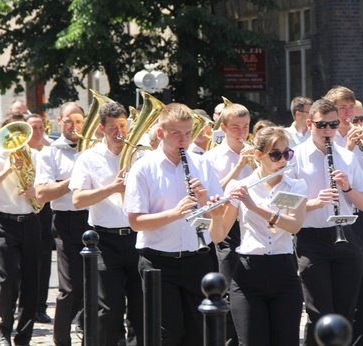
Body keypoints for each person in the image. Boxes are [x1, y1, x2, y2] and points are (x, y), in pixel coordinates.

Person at [123, 102, 223, 346]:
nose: (184, 139)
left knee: (199, 332)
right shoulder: (143, 168)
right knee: (167, 334)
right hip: (158, 261)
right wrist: (175, 213)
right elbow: (136, 222)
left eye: (188, 133)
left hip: (197, 257)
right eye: (177, 133)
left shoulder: (202, 163)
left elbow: (218, 212)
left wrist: (204, 201)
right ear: (160, 133)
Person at [213, 125, 307, 345]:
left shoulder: (296, 185)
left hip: (284, 270)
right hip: (248, 273)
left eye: (287, 153)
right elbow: (218, 237)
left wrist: (254, 207)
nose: (283, 160)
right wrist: (217, 216)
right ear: (258, 156)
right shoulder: (241, 187)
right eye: (276, 155)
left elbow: (295, 226)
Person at [292, 98, 363, 346]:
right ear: (309, 123)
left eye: (333, 125)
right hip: (311, 238)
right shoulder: (295, 157)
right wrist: (315, 202)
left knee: (345, 312)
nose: (327, 131)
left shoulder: (347, 157)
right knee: (319, 312)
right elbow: (281, 203)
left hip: (346, 235)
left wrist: (347, 188)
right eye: (321, 125)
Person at [69, 101, 143, 346]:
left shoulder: (140, 155)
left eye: (122, 125)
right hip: (105, 239)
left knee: (140, 307)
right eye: (112, 127)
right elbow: (78, 199)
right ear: (101, 129)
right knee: (109, 308)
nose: (118, 131)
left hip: (137, 236)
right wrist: (113, 187)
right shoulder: (88, 158)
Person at [0, 117, 42, 346]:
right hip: (3, 222)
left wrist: (37, 190)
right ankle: (4, 330)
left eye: (21, 135)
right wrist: (7, 170)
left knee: (32, 280)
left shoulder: (34, 155)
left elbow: (43, 187)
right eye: (13, 135)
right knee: (9, 278)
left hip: (31, 221)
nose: (18, 141)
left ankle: (24, 335)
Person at [324, 87, 363, 346]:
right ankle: (342, 335)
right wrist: (347, 147)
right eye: (342, 109)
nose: (348, 114)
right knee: (348, 280)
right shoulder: (328, 138)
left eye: (351, 108)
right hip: (342, 215)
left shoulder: (362, 135)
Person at [35, 102, 88, 345]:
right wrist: (73, 179)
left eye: (78, 121)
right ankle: (62, 339)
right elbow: (42, 194)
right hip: (67, 221)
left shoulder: (96, 149)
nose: (74, 126)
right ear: (60, 123)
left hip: (95, 219)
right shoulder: (50, 152)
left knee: (99, 285)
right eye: (69, 121)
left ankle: (96, 334)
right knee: (71, 287)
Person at [203, 102, 253, 345]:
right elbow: (213, 193)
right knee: (230, 284)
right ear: (223, 128)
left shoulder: (256, 151)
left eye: (245, 127)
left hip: (253, 223)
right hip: (227, 225)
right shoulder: (211, 157)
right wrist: (239, 167)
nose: (241, 132)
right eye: (235, 127)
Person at [23, 114, 54, 324]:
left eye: (41, 127)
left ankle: (40, 306)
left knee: (44, 260)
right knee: (26, 263)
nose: (38, 132)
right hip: (24, 210)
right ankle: (23, 304)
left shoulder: (48, 151)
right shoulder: (19, 152)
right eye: (34, 128)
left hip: (44, 210)